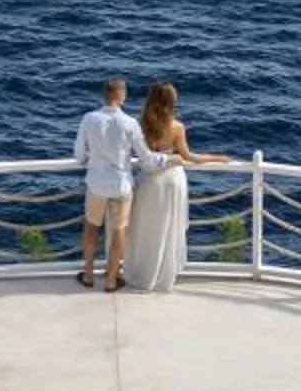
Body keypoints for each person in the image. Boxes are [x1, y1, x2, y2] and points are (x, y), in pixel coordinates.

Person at [121, 81, 236, 294]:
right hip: (172, 181)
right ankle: (163, 275)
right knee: (168, 227)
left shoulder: (140, 124)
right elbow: (189, 157)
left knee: (146, 228)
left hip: (148, 182)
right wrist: (217, 157)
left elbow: (139, 156)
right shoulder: (176, 127)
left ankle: (143, 273)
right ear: (171, 102)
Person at [73, 76, 167, 294]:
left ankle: (87, 274)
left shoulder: (89, 119)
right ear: (121, 96)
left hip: (96, 183)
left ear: (104, 96)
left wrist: (91, 159)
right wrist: (167, 159)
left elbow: (79, 155)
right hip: (121, 185)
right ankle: (111, 280)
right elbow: (145, 157)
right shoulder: (129, 123)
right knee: (118, 232)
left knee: (91, 228)